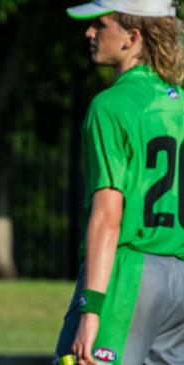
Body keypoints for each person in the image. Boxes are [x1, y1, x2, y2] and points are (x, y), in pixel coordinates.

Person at [55, 1, 184, 364]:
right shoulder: (180, 103)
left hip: (128, 276)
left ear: (133, 36)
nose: (90, 32)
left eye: (101, 24)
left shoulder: (111, 105)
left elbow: (108, 216)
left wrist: (91, 308)